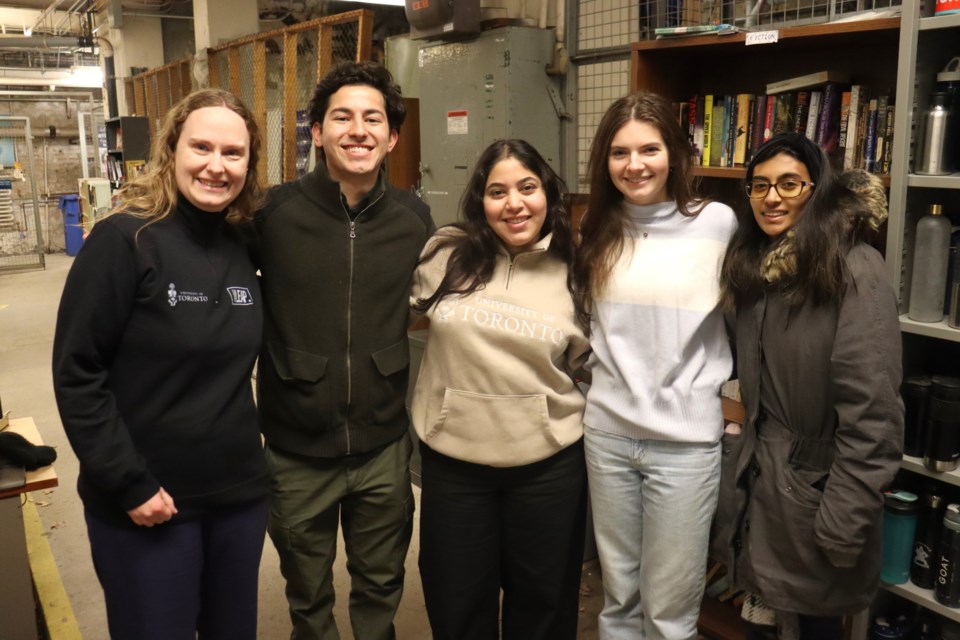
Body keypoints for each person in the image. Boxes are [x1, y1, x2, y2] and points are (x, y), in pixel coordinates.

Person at [52, 88, 267, 640]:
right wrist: (129, 483)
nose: (216, 166)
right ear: (172, 149)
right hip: (147, 504)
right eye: (201, 147)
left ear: (250, 163)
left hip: (236, 499)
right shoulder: (125, 240)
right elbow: (78, 371)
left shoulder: (244, 243)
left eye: (233, 153)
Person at [251, 61, 434, 640]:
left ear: (392, 136)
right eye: (343, 117)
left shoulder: (414, 218)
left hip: (382, 444)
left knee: (381, 585)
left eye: (373, 118)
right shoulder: (272, 214)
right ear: (318, 131)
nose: (358, 130)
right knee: (307, 594)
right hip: (296, 447)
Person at [714, 132, 903, 639]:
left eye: (789, 184)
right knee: (762, 626)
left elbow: (875, 419)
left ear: (816, 189)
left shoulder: (854, 268)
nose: (772, 197)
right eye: (760, 186)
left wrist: (841, 526)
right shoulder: (756, 267)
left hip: (816, 498)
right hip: (761, 488)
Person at [572, 91, 737, 640]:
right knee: (618, 597)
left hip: (684, 445)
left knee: (669, 610)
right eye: (620, 152)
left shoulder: (717, 223)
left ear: (675, 153)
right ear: (605, 161)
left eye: (649, 149)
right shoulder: (596, 227)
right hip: (608, 435)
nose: (635, 165)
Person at [410, 139, 591, 640]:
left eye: (527, 188)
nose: (514, 203)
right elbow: (393, 315)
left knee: (543, 607)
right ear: (480, 201)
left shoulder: (576, 271)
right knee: (456, 602)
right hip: (455, 466)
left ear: (547, 193)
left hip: (548, 467)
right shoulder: (445, 254)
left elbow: (591, 366)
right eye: (498, 191)